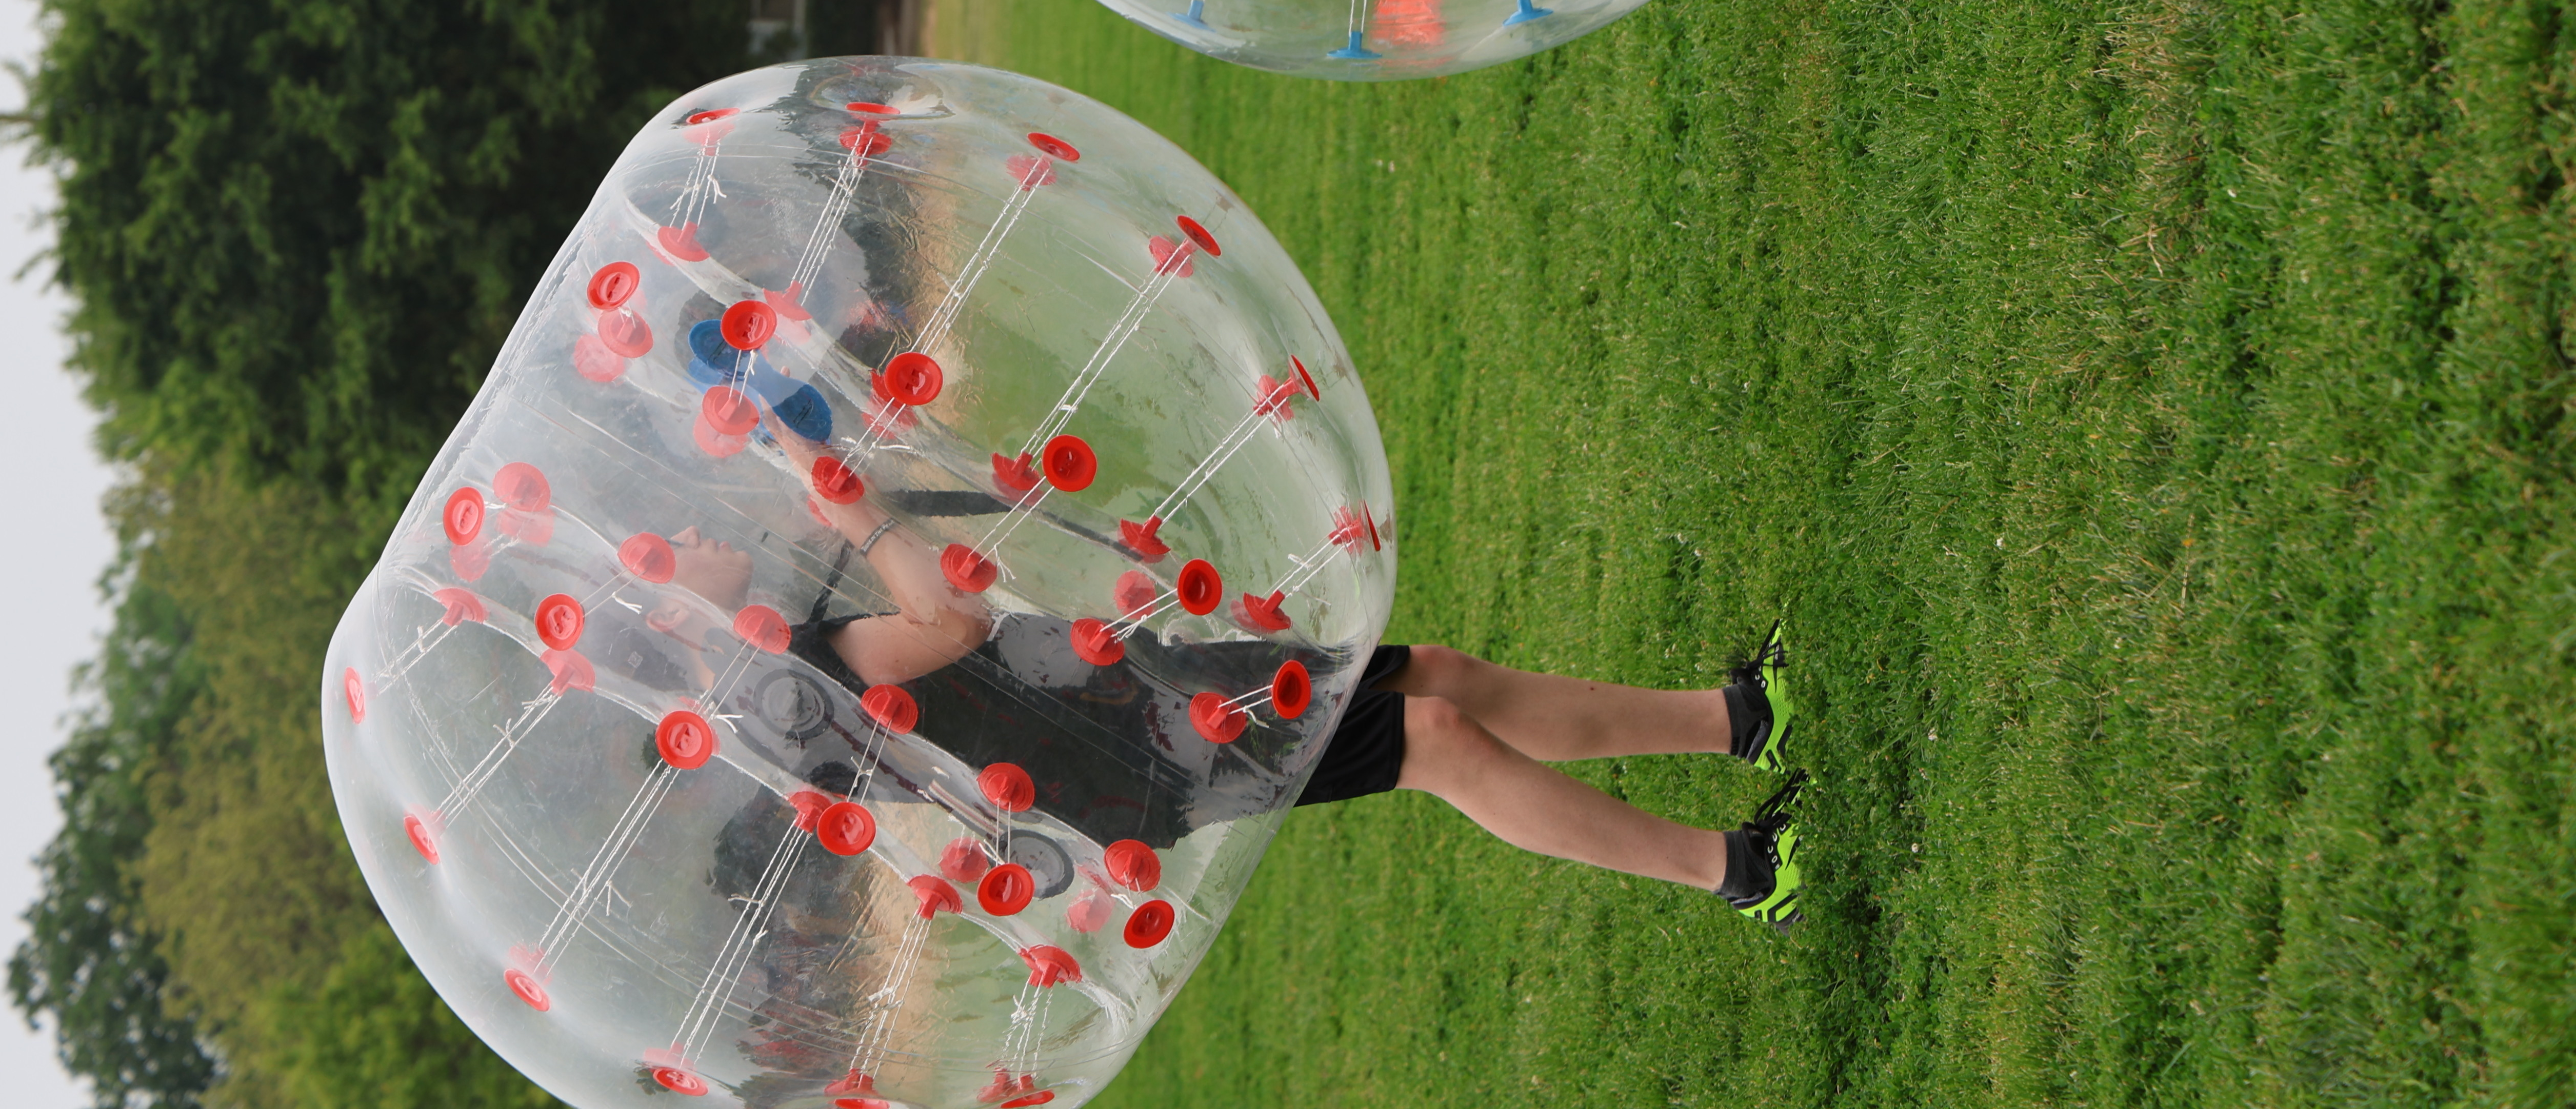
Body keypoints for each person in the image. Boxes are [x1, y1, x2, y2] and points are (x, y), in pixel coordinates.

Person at [649, 436, 1812, 932]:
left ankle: (1734, 720)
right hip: (1145, 744)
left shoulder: (771, 672)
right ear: (665, 606)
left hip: (1129, 699)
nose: (701, 523)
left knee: (1431, 676)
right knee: (1438, 737)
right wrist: (856, 507)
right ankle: (1737, 870)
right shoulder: (789, 684)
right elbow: (947, 624)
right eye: (678, 535)